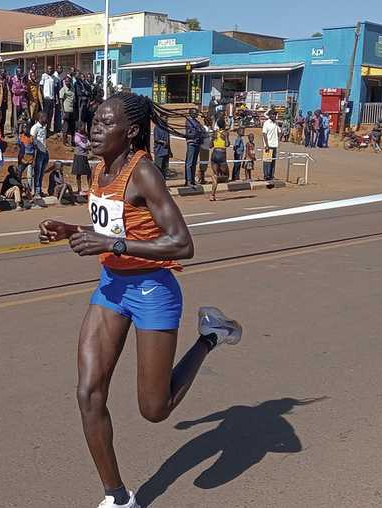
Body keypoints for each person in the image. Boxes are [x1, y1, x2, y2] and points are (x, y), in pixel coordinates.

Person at [38, 92, 242, 508]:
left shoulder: (143, 172)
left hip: (153, 289)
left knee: (155, 408)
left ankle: (211, 336)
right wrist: (70, 227)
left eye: (104, 123)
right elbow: (115, 227)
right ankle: (117, 497)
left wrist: (111, 242)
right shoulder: (100, 169)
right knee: (88, 392)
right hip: (112, 286)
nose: (94, 128)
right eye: (93, 120)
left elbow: (182, 244)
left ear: (129, 131)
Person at [209, 119, 229, 201]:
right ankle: (216, 178)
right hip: (221, 154)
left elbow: (210, 146)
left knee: (216, 174)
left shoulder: (215, 133)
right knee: (226, 175)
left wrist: (213, 138)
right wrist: (226, 137)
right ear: (224, 125)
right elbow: (227, 144)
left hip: (214, 153)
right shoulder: (225, 133)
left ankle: (212, 195)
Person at [30, 111, 49, 196]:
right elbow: (32, 140)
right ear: (40, 118)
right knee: (37, 173)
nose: (46, 119)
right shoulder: (35, 128)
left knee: (41, 172)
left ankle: (40, 190)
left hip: (44, 151)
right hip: (38, 152)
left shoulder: (44, 127)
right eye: (45, 117)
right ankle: (36, 191)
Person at [184, 108, 202, 187]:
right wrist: (198, 132)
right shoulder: (189, 121)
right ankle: (188, 181)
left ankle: (192, 179)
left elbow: (201, 130)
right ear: (191, 113)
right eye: (195, 113)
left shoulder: (197, 122)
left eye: (197, 113)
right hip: (191, 143)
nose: (197, 114)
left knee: (194, 163)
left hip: (197, 143)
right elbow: (192, 132)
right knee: (189, 163)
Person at [73, 122, 92, 195]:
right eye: (82, 127)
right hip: (79, 156)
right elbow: (84, 146)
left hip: (84, 156)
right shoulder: (76, 137)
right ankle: (79, 189)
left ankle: (90, 188)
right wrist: (88, 145)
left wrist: (88, 145)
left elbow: (88, 144)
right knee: (79, 174)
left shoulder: (84, 136)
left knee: (88, 173)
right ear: (78, 128)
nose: (84, 128)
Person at [40, 65, 59, 134]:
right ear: (47, 69)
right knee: (45, 115)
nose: (50, 70)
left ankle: (48, 129)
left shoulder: (54, 78)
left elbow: (55, 88)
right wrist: (42, 96)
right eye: (49, 69)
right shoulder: (44, 76)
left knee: (50, 115)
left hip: (52, 99)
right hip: (46, 99)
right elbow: (41, 86)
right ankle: (43, 130)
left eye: (51, 69)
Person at [261, 110, 280, 181]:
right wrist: (266, 145)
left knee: (273, 162)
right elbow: (264, 134)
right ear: (270, 115)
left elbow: (279, 131)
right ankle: (266, 175)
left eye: (275, 114)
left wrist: (279, 137)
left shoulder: (276, 123)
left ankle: (272, 175)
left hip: (275, 145)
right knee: (267, 161)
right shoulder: (266, 123)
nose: (275, 116)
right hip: (268, 145)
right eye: (273, 114)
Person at [59, 76, 76, 145]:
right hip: (66, 110)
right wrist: (63, 111)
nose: (67, 82)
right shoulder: (63, 89)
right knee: (65, 126)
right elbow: (61, 101)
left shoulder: (72, 88)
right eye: (65, 81)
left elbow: (74, 99)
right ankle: (64, 142)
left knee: (73, 126)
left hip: (72, 110)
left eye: (68, 81)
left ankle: (72, 141)